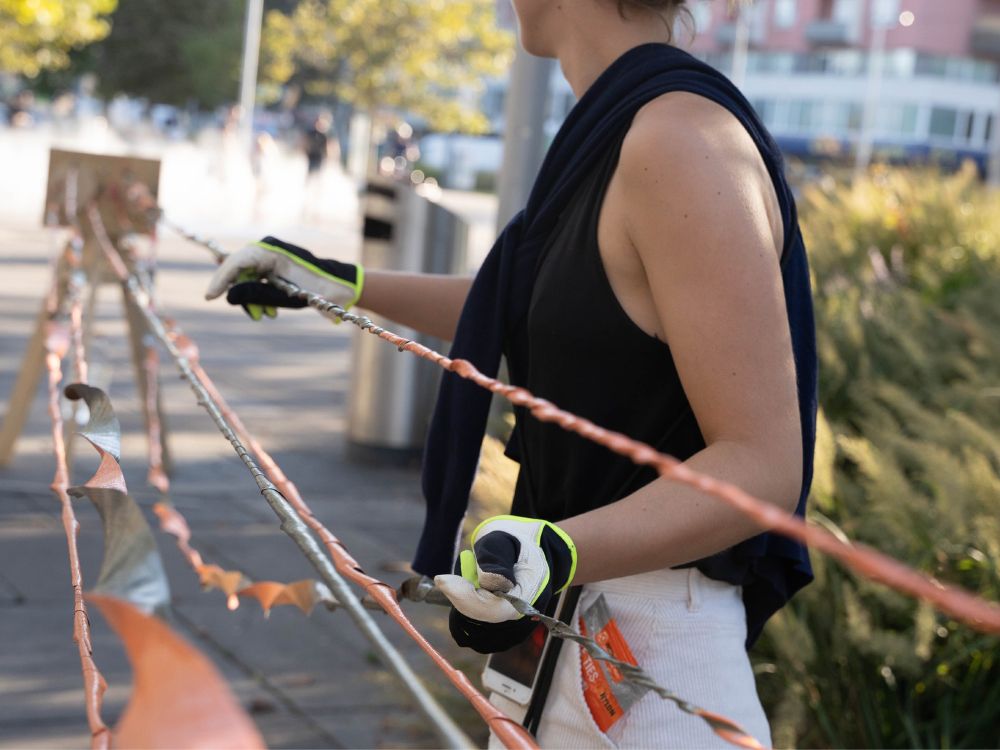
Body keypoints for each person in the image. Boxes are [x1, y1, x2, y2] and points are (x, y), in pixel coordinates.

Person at [205, 1, 817, 746]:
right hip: (561, 634)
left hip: (654, 664)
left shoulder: (680, 139)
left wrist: (558, 549)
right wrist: (340, 284)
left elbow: (763, 465)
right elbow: (536, 310)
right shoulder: (622, 126)